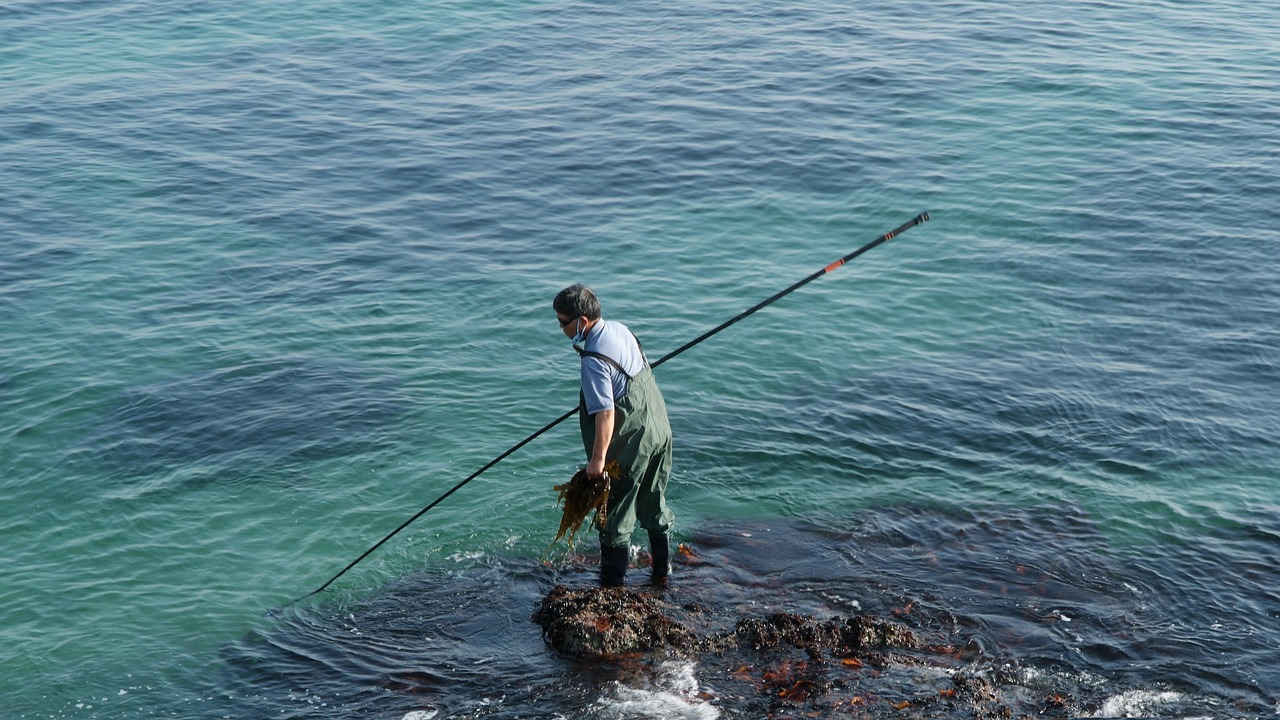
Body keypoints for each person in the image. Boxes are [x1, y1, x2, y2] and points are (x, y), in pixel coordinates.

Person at [553, 284, 674, 586]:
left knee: (615, 519)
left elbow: (606, 414)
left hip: (632, 441)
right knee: (653, 501)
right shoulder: (621, 330)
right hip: (659, 428)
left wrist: (597, 461)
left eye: (563, 322)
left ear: (581, 321)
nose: (561, 328)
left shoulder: (593, 359)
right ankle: (663, 573)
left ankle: (611, 592)